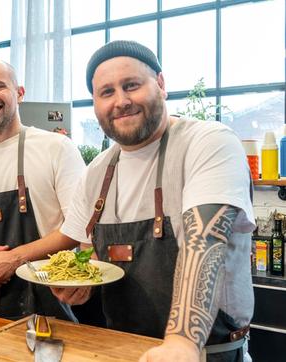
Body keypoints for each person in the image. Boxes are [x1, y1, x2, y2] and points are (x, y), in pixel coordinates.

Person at [53, 40, 254, 361]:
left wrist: (182, 342)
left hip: (207, 352)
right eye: (106, 92)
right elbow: (88, 250)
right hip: (121, 350)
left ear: (160, 84)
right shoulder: (98, 172)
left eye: (131, 85)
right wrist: (81, 284)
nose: (120, 101)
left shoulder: (208, 143)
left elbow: (204, 242)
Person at [0, 58, 86, 320]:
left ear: (20, 93)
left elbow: (77, 228)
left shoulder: (56, 148)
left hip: (44, 303)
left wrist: (14, 259)